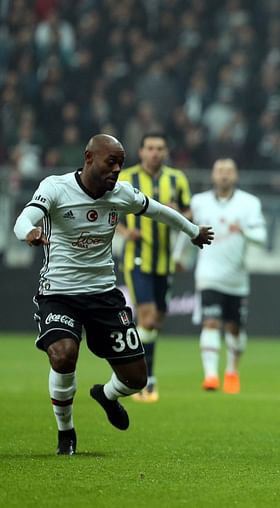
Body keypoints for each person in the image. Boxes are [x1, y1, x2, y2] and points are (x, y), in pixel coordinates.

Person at [13, 134, 214, 455]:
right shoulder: (55, 187)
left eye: (120, 164)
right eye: (111, 162)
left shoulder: (121, 194)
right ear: (89, 158)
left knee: (136, 380)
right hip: (59, 293)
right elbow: (23, 218)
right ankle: (66, 433)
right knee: (64, 355)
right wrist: (30, 232)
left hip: (104, 296)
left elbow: (160, 211)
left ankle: (106, 395)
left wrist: (193, 232)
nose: (117, 170)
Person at [177, 158, 267, 394]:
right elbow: (185, 230)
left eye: (229, 171)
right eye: (220, 171)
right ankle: (210, 376)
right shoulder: (199, 202)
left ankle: (232, 372)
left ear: (236, 176)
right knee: (210, 322)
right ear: (213, 175)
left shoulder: (250, 203)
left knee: (234, 330)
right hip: (208, 275)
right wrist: (180, 257)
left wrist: (244, 231)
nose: (224, 175)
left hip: (237, 279)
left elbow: (261, 236)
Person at [116, 133, 192, 402]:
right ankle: (142, 379)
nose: (155, 153)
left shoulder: (177, 179)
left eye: (160, 148)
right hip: (137, 259)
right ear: (141, 151)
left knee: (155, 322)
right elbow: (109, 210)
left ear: (166, 151)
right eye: (150, 148)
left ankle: (141, 372)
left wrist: (178, 213)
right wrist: (124, 232)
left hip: (165, 261)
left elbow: (189, 213)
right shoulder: (125, 178)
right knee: (147, 318)